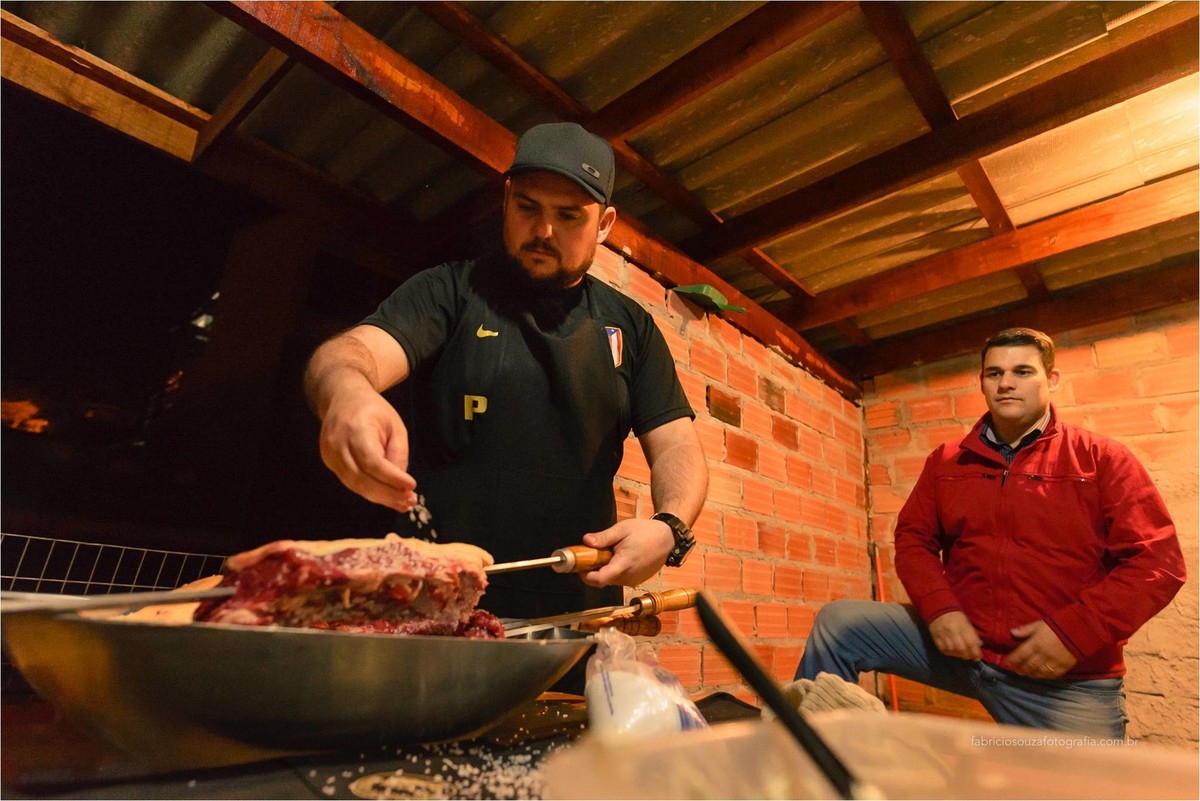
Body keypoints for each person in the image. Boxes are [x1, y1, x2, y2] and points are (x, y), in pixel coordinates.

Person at [304, 122, 708, 625]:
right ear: (507, 198)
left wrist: (670, 526)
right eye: (528, 207)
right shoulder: (449, 291)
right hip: (432, 605)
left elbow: (676, 445)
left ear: (604, 225)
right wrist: (346, 393)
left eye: (567, 216)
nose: (543, 231)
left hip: (574, 615)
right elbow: (348, 354)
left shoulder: (632, 327)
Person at [795, 327, 1185, 737]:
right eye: (994, 373)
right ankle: (814, 764)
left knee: (1091, 793)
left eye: (1022, 371)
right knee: (840, 623)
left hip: (1065, 678)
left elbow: (1157, 564)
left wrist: (1074, 633)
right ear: (982, 382)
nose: (1007, 383)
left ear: (1051, 380)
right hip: (965, 653)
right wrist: (940, 609)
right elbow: (914, 540)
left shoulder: (1102, 460)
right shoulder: (947, 462)